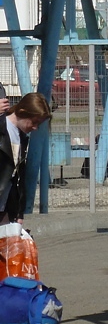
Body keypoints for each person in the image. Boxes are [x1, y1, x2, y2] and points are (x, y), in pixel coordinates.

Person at [0, 92, 53, 225]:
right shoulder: (2, 128)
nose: (35, 128)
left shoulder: (21, 137)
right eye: (34, 122)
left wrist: (19, 213)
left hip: (4, 207)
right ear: (22, 112)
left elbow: (17, 178)